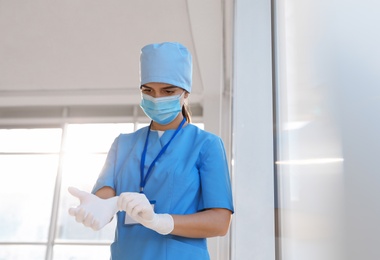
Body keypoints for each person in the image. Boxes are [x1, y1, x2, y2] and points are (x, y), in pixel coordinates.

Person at [68, 42, 234, 260]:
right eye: (148, 91)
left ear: (185, 93)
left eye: (168, 91)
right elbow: (105, 193)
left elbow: (220, 222)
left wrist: (161, 222)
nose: (156, 98)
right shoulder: (123, 144)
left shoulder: (206, 144)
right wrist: (100, 206)